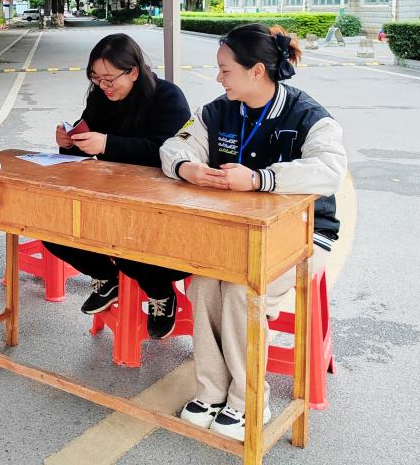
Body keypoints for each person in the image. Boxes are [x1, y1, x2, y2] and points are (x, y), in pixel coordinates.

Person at [160, 23, 346, 442]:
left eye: (225, 70)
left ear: (256, 70)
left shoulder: (308, 116)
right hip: (236, 231)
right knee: (203, 284)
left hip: (303, 235)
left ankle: (249, 400)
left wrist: (261, 179)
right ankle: (211, 392)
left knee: (242, 291)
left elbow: (330, 170)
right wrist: (187, 167)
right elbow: (175, 145)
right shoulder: (217, 111)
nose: (218, 78)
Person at [45, 33, 191, 339]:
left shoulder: (168, 97)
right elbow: (85, 141)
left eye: (110, 79)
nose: (104, 86)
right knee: (49, 225)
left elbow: (167, 152)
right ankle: (106, 276)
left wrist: (107, 144)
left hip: (159, 199)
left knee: (126, 241)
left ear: (134, 72)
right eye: (96, 78)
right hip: (110, 193)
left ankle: (160, 292)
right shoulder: (100, 97)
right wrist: (69, 142)